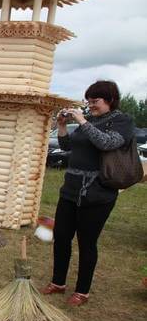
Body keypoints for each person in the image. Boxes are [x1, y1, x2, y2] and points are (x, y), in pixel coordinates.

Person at [40, 80, 135, 306]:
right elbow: (66, 147)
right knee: (61, 237)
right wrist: (62, 126)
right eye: (88, 101)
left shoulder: (122, 121)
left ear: (110, 100)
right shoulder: (90, 120)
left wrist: (81, 120)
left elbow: (106, 143)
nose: (90, 106)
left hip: (99, 194)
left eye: (95, 101)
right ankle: (58, 282)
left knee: (87, 242)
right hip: (71, 189)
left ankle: (82, 291)